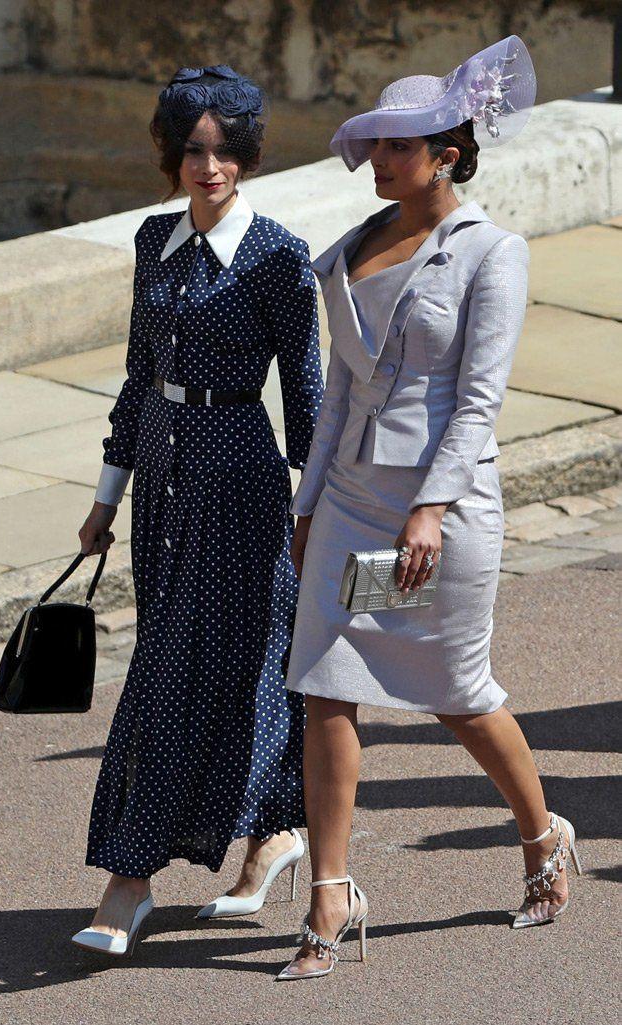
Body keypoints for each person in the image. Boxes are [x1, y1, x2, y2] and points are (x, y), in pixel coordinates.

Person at [278, 36, 582, 982]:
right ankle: (330, 893)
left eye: (394, 147)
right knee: (324, 686)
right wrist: (308, 498)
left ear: (446, 152)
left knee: (456, 694)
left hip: (438, 512)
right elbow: (335, 392)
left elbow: (479, 399)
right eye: (372, 145)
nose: (376, 160)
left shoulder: (493, 252)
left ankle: (541, 834)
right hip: (351, 501)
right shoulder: (350, 251)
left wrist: (431, 510)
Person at [70, 64, 324, 957]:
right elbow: (138, 378)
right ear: (169, 153)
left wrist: (317, 516)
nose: (206, 165)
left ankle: (128, 877)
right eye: (189, 148)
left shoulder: (279, 256)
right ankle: (275, 831)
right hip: (163, 485)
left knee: (194, 670)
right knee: (197, 661)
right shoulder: (151, 241)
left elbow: (307, 401)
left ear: (247, 155)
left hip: (242, 483)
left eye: (222, 149)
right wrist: (106, 495)